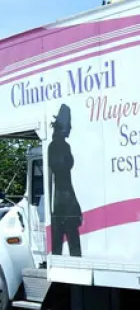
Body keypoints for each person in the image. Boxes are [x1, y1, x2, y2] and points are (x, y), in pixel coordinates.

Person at [48, 103, 82, 257]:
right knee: (73, 245)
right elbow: (64, 179)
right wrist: (74, 205)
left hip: (60, 204)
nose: (70, 128)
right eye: (68, 125)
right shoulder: (60, 146)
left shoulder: (54, 146)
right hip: (64, 203)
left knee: (57, 248)